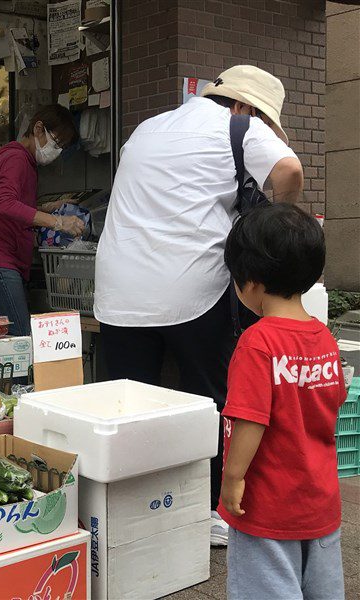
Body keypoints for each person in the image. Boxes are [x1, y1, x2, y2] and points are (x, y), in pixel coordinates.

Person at [93, 65, 304, 545]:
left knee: (130, 404)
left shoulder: (146, 128)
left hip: (118, 291)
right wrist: (281, 215)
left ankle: (126, 513)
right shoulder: (240, 127)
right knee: (207, 399)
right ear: (246, 107)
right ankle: (210, 511)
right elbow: (289, 170)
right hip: (189, 289)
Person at [219, 203, 346, 599]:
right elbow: (333, 400)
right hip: (320, 501)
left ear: (250, 282)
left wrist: (232, 478)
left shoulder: (258, 342)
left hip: (267, 505)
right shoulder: (322, 337)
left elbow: (251, 421)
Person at [0, 104, 84, 336]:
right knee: (19, 341)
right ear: (38, 129)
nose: (57, 151)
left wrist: (48, 207)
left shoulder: (18, 159)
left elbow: (8, 205)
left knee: (13, 341)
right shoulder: (16, 159)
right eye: (56, 143)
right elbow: (5, 204)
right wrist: (58, 222)